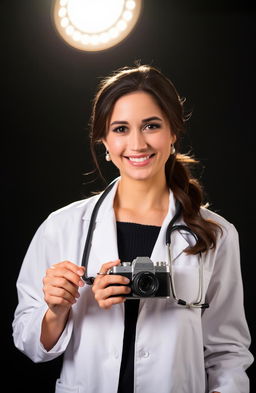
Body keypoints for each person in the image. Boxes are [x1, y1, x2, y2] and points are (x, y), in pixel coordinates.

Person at [12, 64, 253, 393]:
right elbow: (28, 342)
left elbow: (227, 352)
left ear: (173, 133)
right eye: (121, 129)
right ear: (105, 141)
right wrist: (57, 310)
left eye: (151, 125)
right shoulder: (63, 227)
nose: (137, 143)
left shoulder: (216, 234)